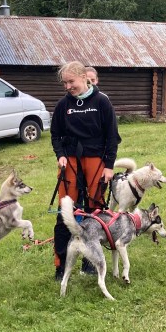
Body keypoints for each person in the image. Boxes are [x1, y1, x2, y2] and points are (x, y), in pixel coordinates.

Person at [50, 61, 120, 280]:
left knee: (94, 212)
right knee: (66, 212)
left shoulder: (101, 102)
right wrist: (60, 154)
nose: (68, 86)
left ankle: (90, 262)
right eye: (65, 83)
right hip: (70, 161)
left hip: (96, 160)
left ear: (84, 78)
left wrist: (109, 166)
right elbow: (55, 134)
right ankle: (61, 266)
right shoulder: (63, 105)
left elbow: (112, 136)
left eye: (71, 81)